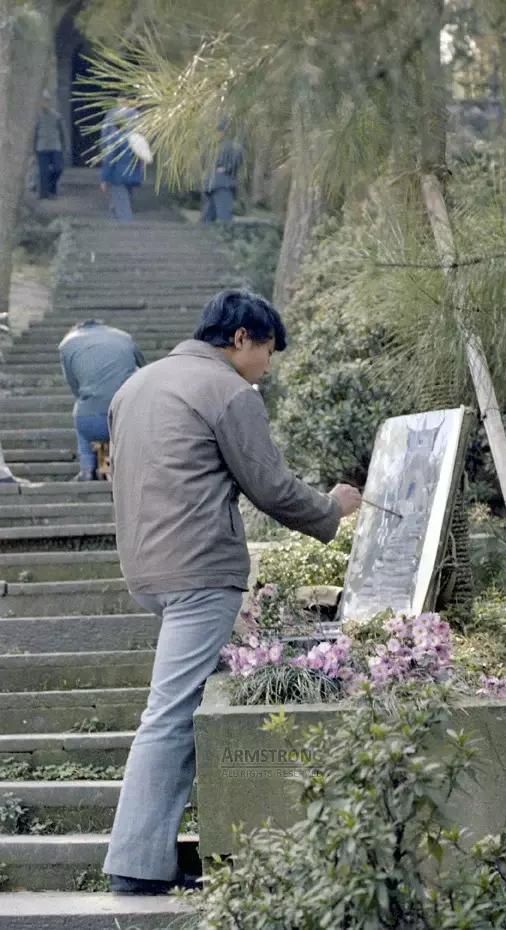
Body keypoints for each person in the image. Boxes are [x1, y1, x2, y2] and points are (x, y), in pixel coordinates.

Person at [103, 289, 361, 895]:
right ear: (241, 338)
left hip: (147, 567)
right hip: (200, 571)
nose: (266, 366)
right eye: (267, 350)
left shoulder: (135, 386)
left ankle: (188, 847)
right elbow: (271, 487)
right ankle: (135, 866)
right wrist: (334, 507)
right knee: (171, 715)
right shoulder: (227, 391)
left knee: (196, 704)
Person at [59, 320, 145, 481]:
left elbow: (74, 385)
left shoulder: (67, 344)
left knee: (85, 414)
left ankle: (87, 469)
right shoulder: (124, 338)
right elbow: (145, 369)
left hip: (91, 420)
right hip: (125, 417)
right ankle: (117, 468)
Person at [100, 99, 145, 221]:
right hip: (131, 167)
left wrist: (104, 179)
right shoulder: (137, 116)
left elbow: (109, 156)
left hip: (118, 171)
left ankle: (123, 221)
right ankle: (121, 210)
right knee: (125, 192)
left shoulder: (112, 116)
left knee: (120, 196)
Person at [202, 119, 243, 223]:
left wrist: (226, 168)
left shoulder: (231, 145)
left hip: (223, 184)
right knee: (207, 219)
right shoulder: (214, 146)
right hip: (213, 185)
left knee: (224, 218)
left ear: (223, 132)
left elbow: (237, 159)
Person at [34, 90, 66, 199]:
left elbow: (62, 133)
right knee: (43, 173)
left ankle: (51, 188)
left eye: (46, 100)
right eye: (43, 100)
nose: (45, 103)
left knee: (58, 169)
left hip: (55, 147)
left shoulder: (56, 116)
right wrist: (33, 149)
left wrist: (64, 147)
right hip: (42, 147)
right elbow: (34, 134)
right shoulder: (37, 117)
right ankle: (45, 194)